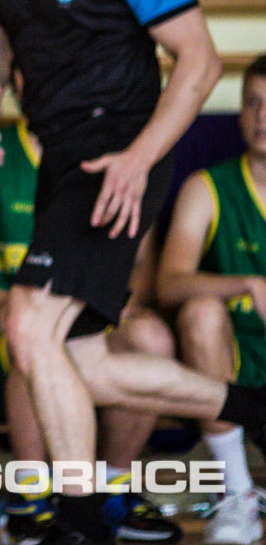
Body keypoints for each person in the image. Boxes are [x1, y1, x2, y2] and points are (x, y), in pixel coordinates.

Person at [0, 0, 256, 545]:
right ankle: (251, 407)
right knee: (82, 362)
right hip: (61, 158)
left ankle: (81, 519)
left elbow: (200, 62)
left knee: (29, 326)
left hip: (118, 152)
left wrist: (138, 158)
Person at [0, 120, 181, 545]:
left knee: (151, 338)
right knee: (36, 333)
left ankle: (111, 488)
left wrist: (104, 307)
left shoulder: (118, 151)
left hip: (87, 323)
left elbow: (143, 267)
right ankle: (31, 496)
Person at [157, 53, 266, 545]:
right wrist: (245, 284)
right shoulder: (207, 187)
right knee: (200, 312)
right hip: (231, 358)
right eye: (253, 103)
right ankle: (237, 495)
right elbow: (168, 285)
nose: (262, 117)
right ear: (240, 114)